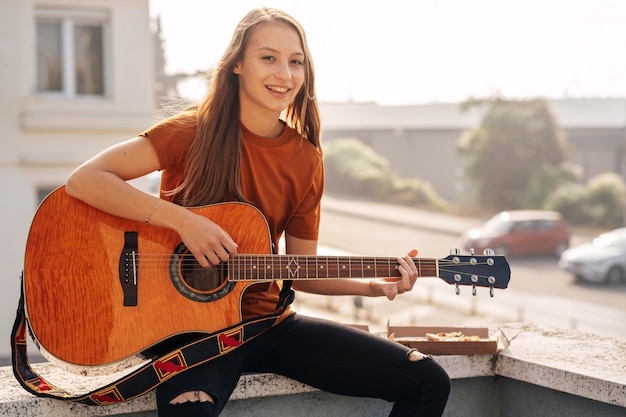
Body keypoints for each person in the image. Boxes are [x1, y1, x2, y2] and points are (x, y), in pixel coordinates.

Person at [65, 7, 450, 417]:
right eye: (269, 58)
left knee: (427, 382)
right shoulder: (188, 132)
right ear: (237, 65)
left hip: (267, 325)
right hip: (188, 331)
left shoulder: (306, 160)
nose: (284, 74)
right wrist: (183, 220)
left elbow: (300, 269)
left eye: (295, 61)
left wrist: (373, 287)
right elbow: (85, 179)